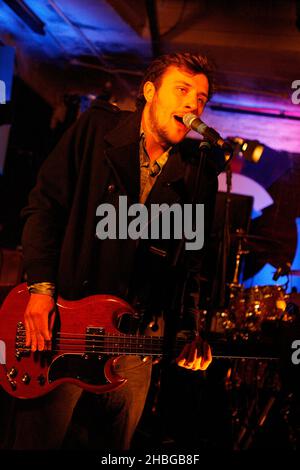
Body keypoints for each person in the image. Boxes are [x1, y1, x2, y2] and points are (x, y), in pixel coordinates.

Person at [12, 52, 218, 450]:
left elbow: (191, 265)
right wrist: (41, 289)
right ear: (150, 93)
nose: (194, 103)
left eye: (202, 98)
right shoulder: (96, 129)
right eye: (183, 90)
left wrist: (190, 331)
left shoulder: (197, 174)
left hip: (133, 345)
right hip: (65, 328)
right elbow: (44, 206)